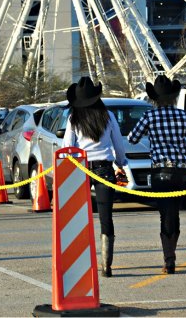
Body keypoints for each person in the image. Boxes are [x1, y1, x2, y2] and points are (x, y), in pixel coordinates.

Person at [128, 75, 186, 274]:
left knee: (164, 214)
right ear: (173, 96)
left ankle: (169, 259)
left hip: (159, 171)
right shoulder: (183, 115)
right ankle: (171, 255)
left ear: (154, 98)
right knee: (174, 212)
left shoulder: (149, 116)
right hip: (180, 171)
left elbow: (132, 138)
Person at [62, 77, 127, 278]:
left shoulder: (74, 118)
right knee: (106, 217)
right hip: (105, 169)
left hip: (81, 169)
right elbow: (118, 144)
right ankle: (106, 265)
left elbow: (67, 149)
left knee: (78, 217)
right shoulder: (108, 116)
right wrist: (121, 162)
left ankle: (80, 262)